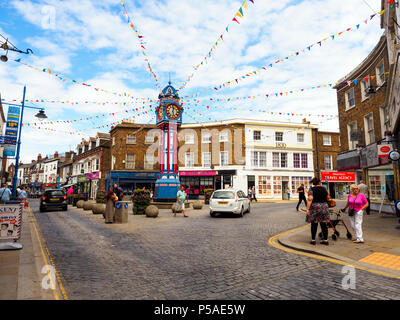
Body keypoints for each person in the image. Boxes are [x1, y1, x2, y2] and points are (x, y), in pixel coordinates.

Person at [306, 177, 330, 245]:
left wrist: (307, 209)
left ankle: (313, 240)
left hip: (315, 207)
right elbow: (328, 197)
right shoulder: (324, 188)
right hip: (324, 207)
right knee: (323, 224)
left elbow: (310, 199)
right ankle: (325, 240)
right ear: (319, 182)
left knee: (314, 224)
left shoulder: (311, 189)